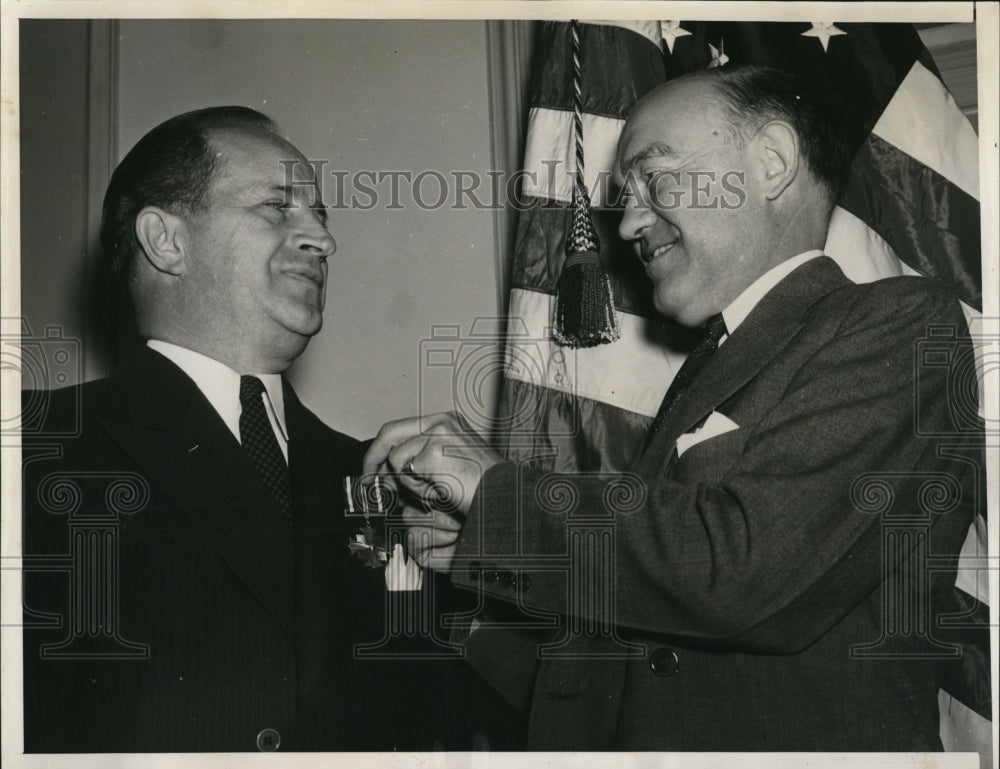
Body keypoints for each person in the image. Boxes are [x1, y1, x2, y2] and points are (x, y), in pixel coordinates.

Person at [364, 66, 982, 751]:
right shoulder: (713, 364)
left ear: (772, 161)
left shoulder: (899, 324)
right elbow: (651, 631)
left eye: (653, 179)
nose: (627, 222)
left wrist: (498, 493)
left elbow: (746, 572)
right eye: (626, 195)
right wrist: (486, 546)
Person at [21, 106, 520, 752]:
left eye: (321, 215)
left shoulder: (390, 485)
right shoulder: (34, 449)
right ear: (166, 240)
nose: (322, 238)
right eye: (277, 208)